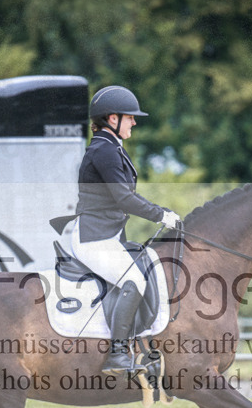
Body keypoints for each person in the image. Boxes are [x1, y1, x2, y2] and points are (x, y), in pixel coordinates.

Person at [65, 86, 180, 375]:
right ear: (112, 118)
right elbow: (124, 198)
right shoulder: (104, 150)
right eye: (130, 117)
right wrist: (160, 215)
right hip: (94, 238)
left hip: (108, 235)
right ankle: (117, 355)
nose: (135, 122)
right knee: (134, 281)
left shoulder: (111, 147)